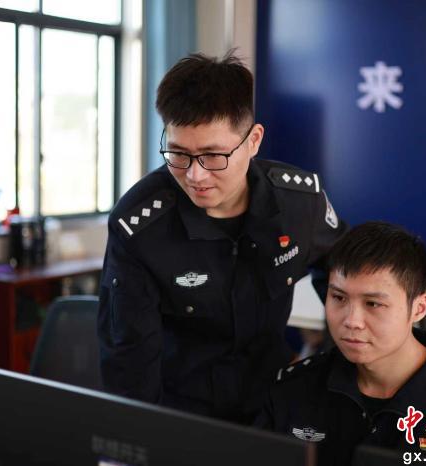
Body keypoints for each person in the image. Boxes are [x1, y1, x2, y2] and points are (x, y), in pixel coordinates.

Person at [97, 52, 347, 424]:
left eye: (213, 155)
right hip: (180, 410)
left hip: (273, 399)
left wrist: (330, 369)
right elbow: (129, 363)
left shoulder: (298, 204)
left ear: (253, 140)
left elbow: (346, 274)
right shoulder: (140, 226)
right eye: (178, 153)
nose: (195, 175)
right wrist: (141, 440)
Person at [257, 222, 426, 465]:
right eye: (339, 297)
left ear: (418, 308)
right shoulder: (295, 388)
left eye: (373, 304)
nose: (352, 321)